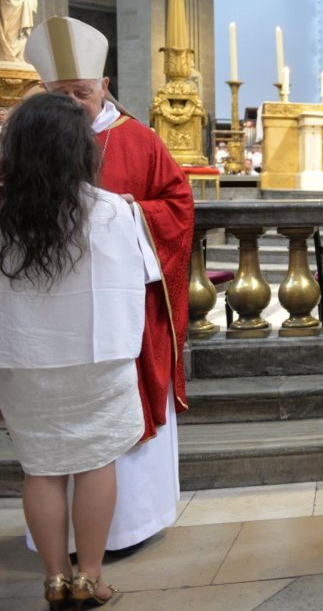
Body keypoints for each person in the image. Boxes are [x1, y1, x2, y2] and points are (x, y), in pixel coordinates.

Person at [25, 16, 194, 554]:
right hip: (42, 318)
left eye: (82, 92)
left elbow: (178, 207)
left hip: (127, 316)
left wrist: (130, 215)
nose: (73, 103)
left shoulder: (138, 141)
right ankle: (66, 551)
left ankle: (128, 527)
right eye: (60, 94)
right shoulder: (25, 148)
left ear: (105, 86)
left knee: (113, 426)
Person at [0, 93, 156, 609]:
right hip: (99, 356)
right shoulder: (114, 211)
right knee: (95, 462)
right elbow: (141, 279)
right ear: (79, 151)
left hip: (24, 359)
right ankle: (90, 577)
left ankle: (54, 579)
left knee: (41, 467)